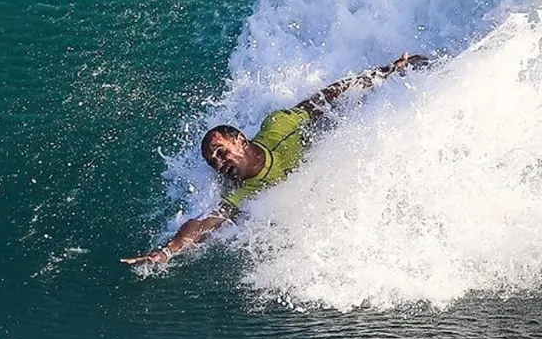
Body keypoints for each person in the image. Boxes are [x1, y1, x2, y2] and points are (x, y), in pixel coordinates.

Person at [120, 53, 429, 265]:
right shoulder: (242, 193)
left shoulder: (278, 126)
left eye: (220, 151)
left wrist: (387, 72)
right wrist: (168, 251)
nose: (217, 162)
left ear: (240, 140)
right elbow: (204, 223)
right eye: (212, 162)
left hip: (321, 141)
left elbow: (326, 97)